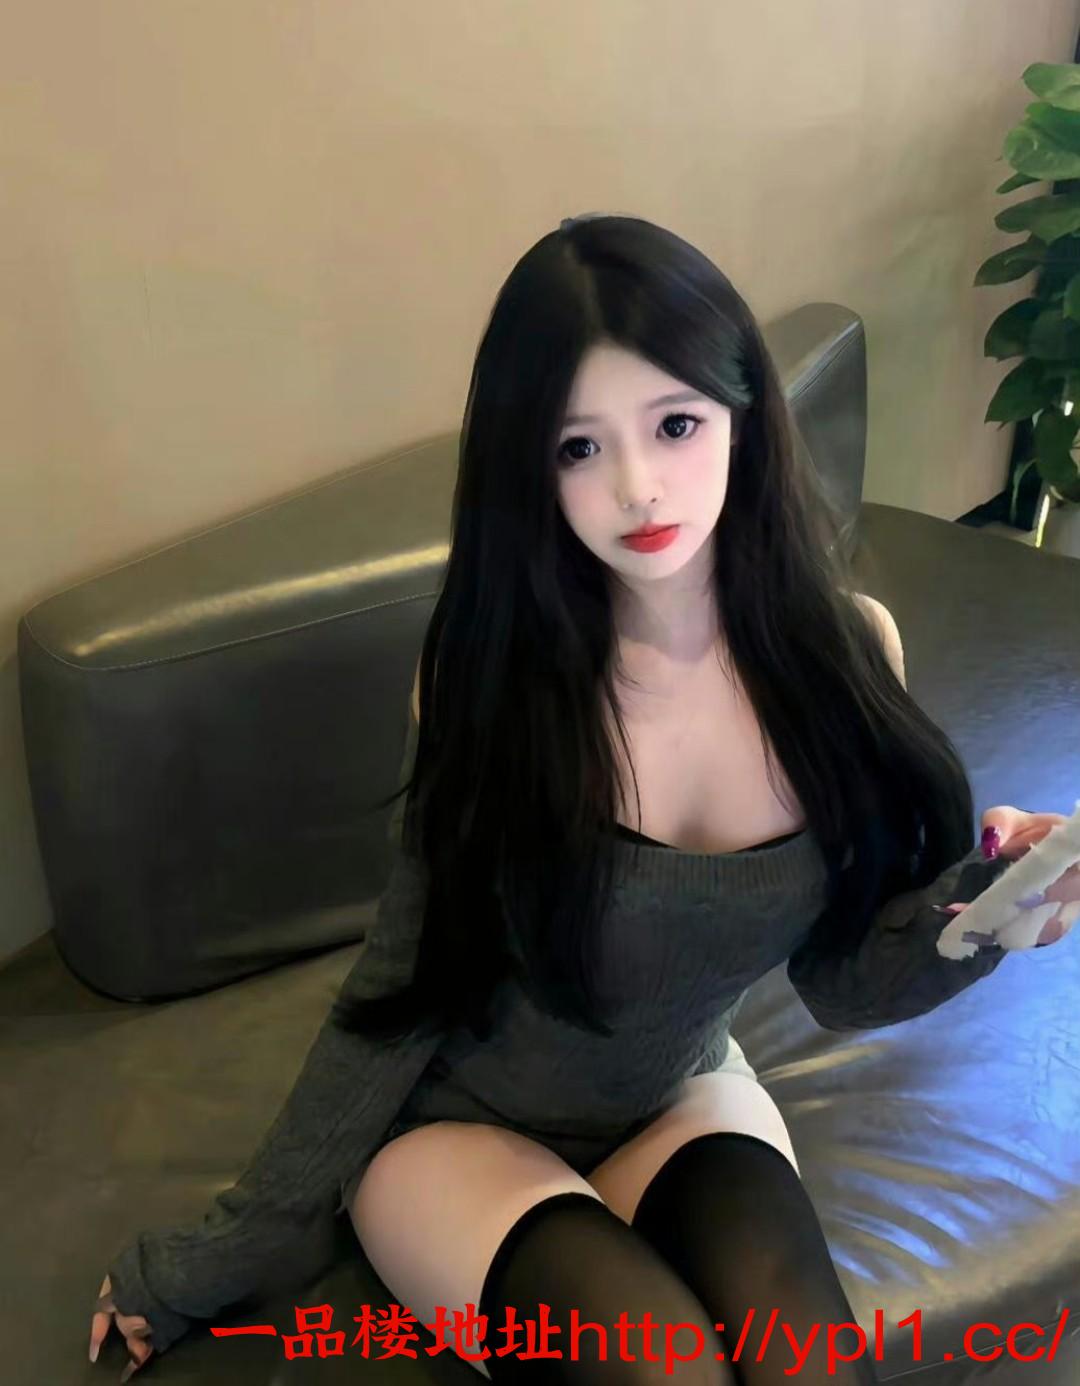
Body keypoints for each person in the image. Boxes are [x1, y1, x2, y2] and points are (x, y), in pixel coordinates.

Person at [89, 213, 1075, 1385]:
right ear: (530, 467)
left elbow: (841, 980)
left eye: (675, 424)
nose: (637, 487)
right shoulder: (488, 687)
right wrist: (212, 1257)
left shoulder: (851, 657)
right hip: (458, 1137)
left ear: (744, 416)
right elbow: (399, 988)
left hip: (679, 1090)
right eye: (577, 447)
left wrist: (985, 917)